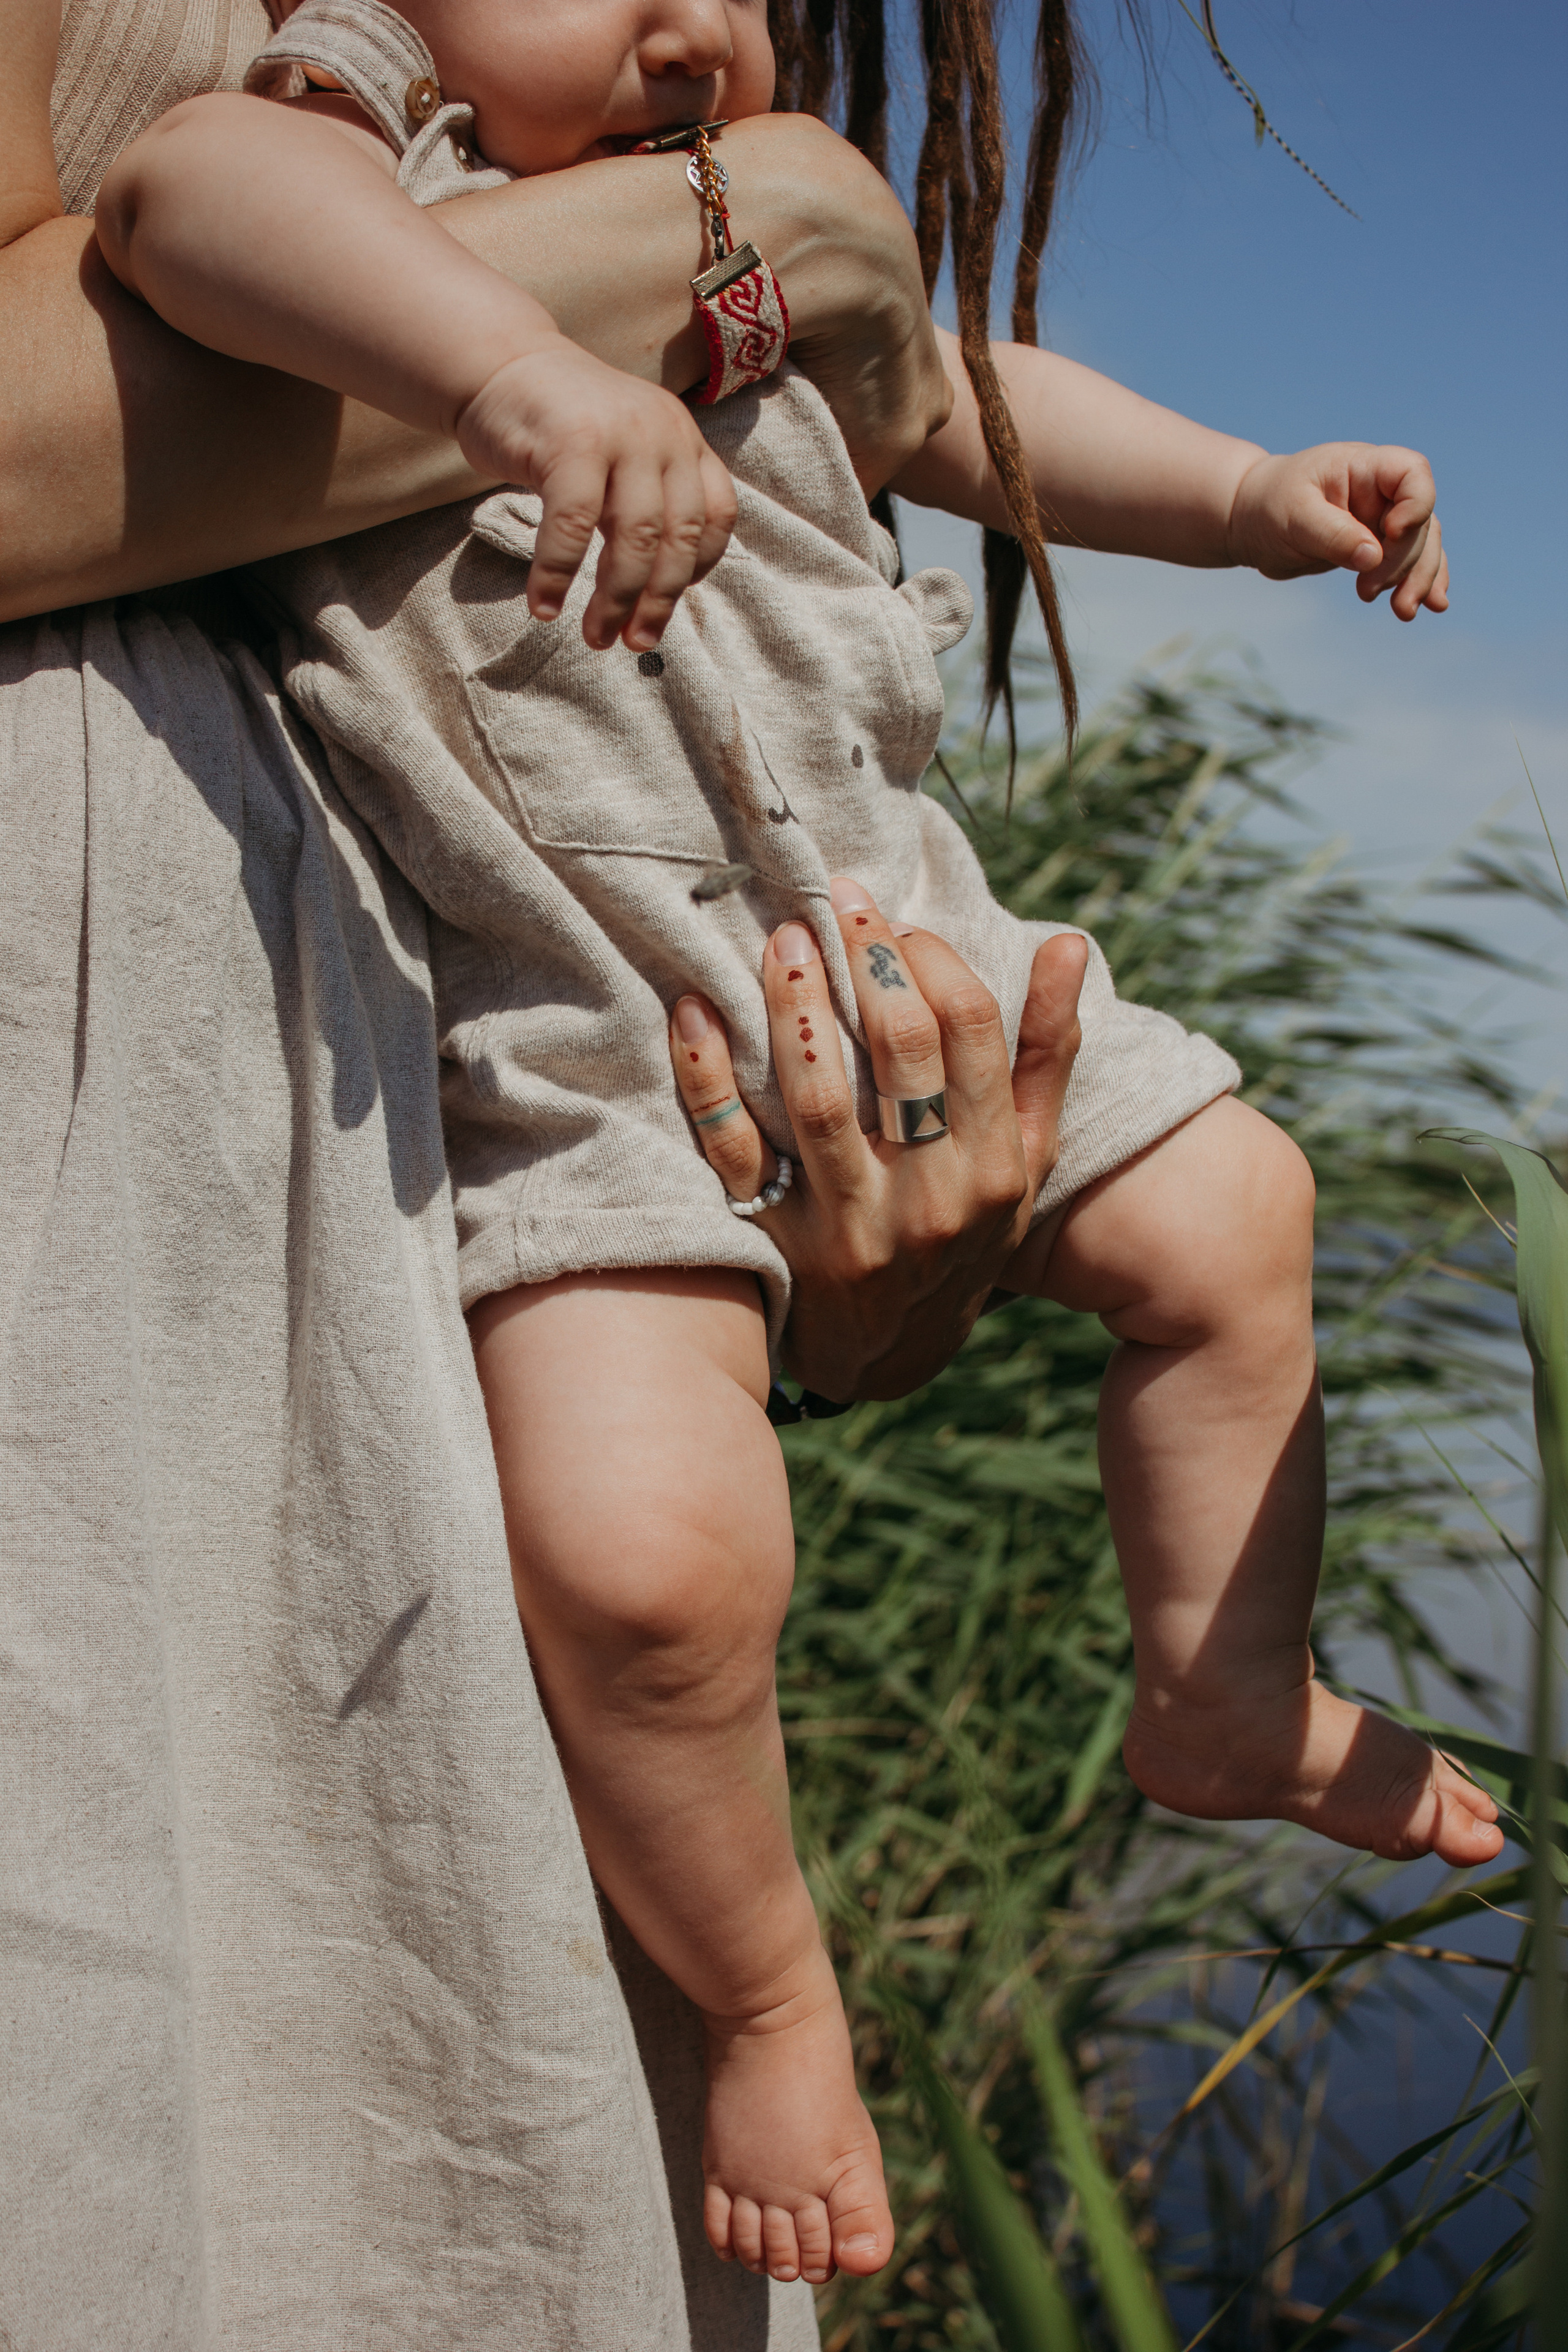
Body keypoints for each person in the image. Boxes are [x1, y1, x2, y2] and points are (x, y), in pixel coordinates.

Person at [95, 0, 1503, 2298]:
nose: (697, 24)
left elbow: (959, 401)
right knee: (645, 1564)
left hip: (913, 932)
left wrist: (1252, 499)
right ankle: (768, 2001)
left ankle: (1220, 1690)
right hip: (576, 1037)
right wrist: (507, 370)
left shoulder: (750, 238)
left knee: (1242, 1202)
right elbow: (179, 202)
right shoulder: (378, 151)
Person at [2, 2, 1098, 2345]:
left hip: (433, 1133)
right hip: (88, 1167)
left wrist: (813, 1285)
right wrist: (750, 236)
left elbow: (930, 390)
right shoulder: (358, 113)